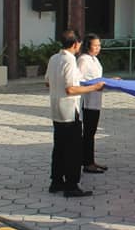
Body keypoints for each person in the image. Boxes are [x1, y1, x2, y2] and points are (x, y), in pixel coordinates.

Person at [45, 30, 105, 198]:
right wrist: (94, 87)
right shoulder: (69, 60)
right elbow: (71, 88)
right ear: (75, 44)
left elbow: (47, 82)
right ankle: (72, 185)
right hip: (69, 110)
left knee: (59, 147)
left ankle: (56, 181)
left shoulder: (54, 58)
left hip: (56, 108)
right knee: (73, 149)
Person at [77, 33, 112, 174]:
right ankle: (87, 162)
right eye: (95, 45)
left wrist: (110, 81)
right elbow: (80, 80)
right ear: (87, 46)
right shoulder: (83, 60)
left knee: (91, 132)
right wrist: (95, 85)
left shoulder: (94, 60)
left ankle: (90, 160)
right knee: (88, 132)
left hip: (96, 100)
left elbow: (98, 77)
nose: (98, 48)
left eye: (99, 45)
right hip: (88, 101)